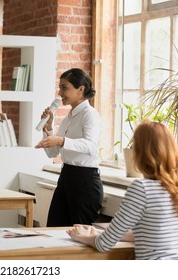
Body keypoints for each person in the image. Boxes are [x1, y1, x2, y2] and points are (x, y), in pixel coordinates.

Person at [68, 121, 178, 259]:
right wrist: (97, 232)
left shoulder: (142, 189)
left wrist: (83, 237)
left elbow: (103, 244)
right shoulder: (174, 188)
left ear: (139, 153)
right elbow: (150, 233)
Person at [35, 68, 103, 226]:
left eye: (65, 88)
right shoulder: (67, 119)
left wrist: (61, 141)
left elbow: (92, 147)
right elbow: (52, 154)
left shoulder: (90, 115)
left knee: (78, 238)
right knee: (54, 229)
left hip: (85, 182)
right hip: (66, 177)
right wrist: (49, 128)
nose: (60, 93)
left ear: (81, 89)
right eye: (60, 88)